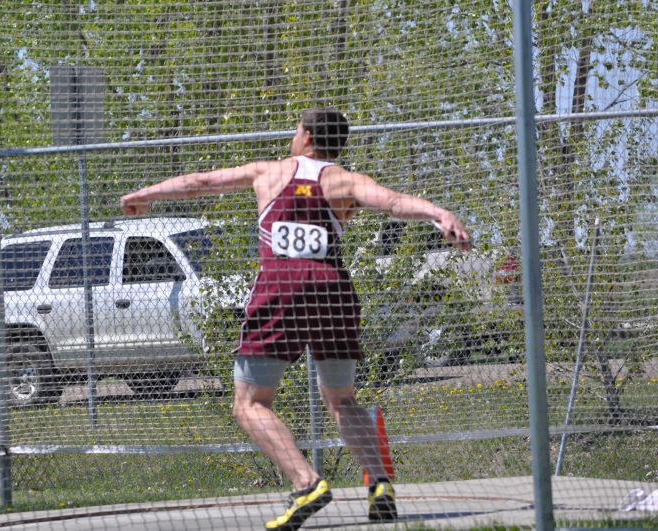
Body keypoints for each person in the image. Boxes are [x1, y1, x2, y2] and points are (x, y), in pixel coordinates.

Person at [121, 108, 470, 531]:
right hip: (332, 290)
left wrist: (147, 193)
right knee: (342, 399)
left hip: (281, 288)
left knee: (249, 403)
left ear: (305, 135)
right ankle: (378, 483)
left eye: (295, 131)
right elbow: (395, 203)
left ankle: (306, 483)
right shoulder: (344, 180)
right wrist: (440, 214)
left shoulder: (270, 172)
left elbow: (203, 182)